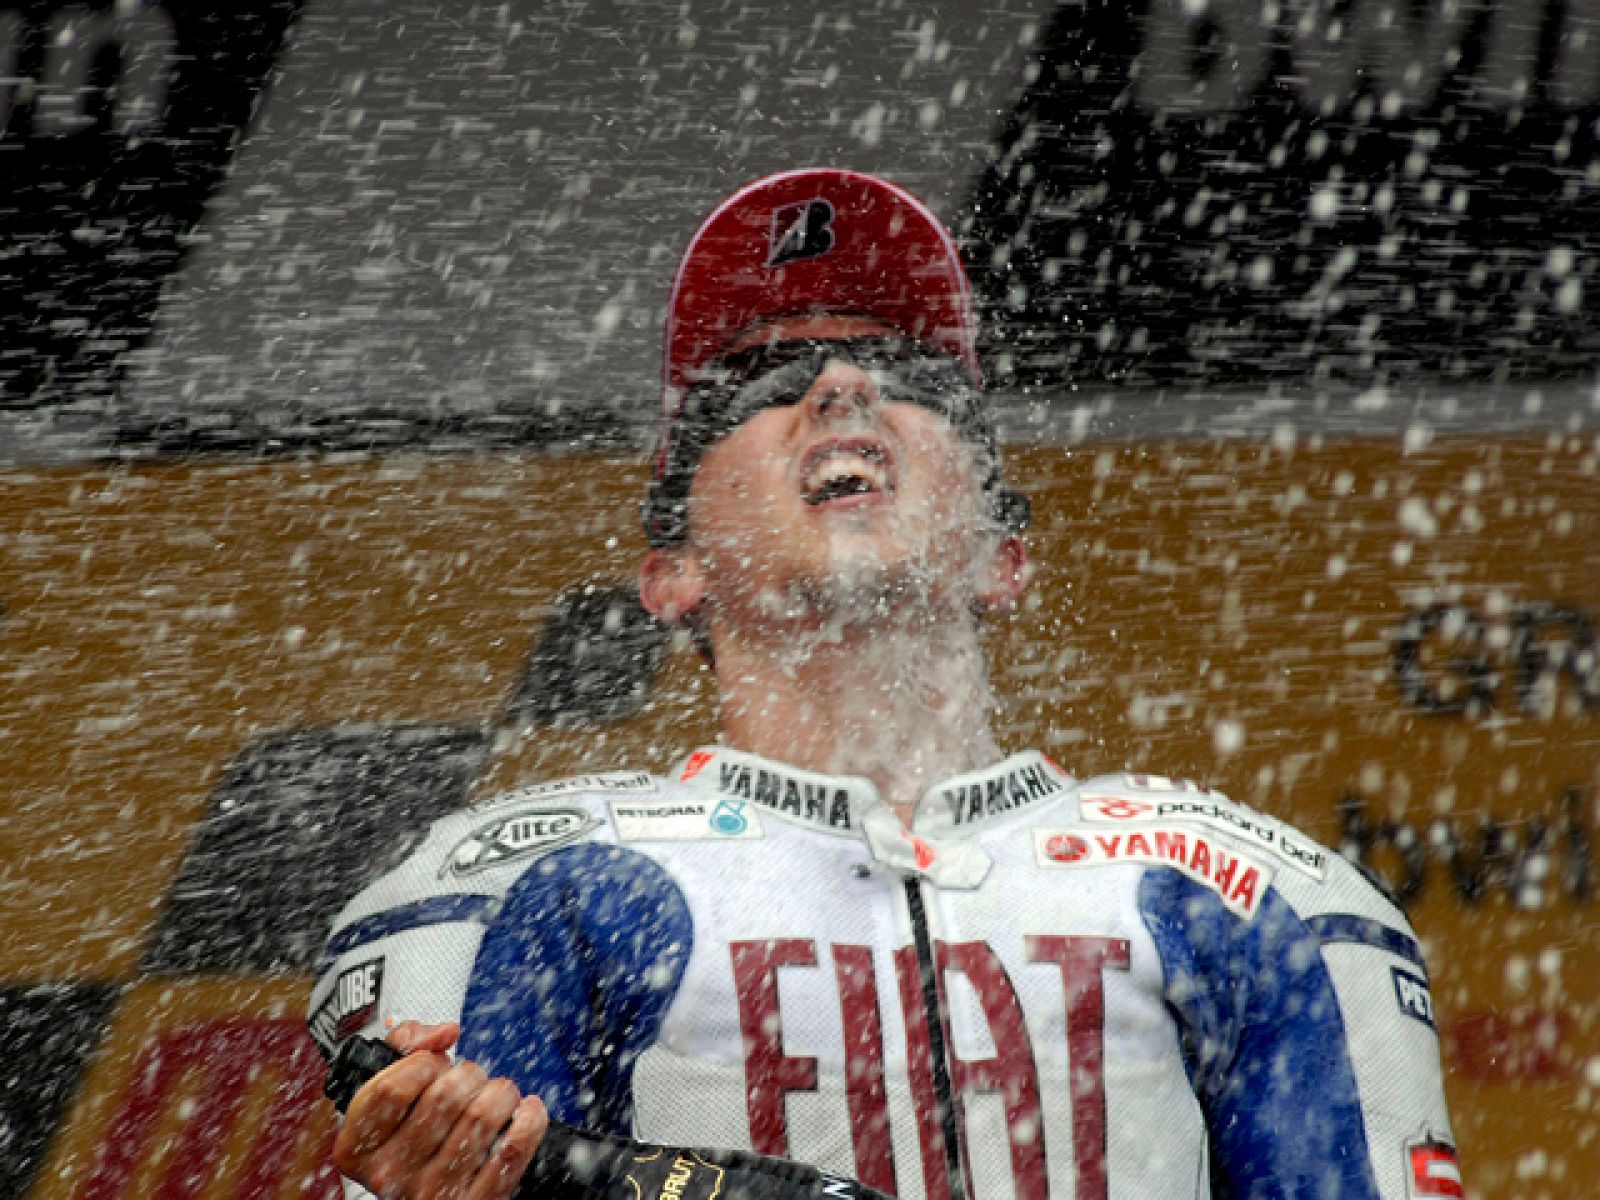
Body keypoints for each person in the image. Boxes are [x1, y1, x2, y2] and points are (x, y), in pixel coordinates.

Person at [312, 169, 1460, 1200]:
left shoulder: (1259, 887)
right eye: (758, 380)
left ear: (1001, 555)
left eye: (914, 375)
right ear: (671, 574)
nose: (845, 387)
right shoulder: (513, 883)